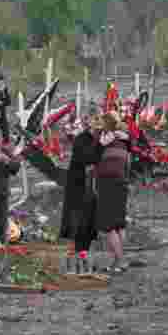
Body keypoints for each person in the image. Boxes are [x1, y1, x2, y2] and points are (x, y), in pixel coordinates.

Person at [60, 113, 103, 275]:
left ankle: (83, 256)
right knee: (78, 222)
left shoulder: (97, 138)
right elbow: (88, 158)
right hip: (78, 187)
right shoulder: (81, 139)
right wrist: (100, 143)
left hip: (91, 186)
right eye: (94, 123)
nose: (98, 128)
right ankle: (73, 261)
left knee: (89, 222)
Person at [92, 112, 131, 273]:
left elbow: (92, 160)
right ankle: (116, 261)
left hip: (107, 184)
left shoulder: (103, 142)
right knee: (119, 224)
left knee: (108, 225)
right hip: (122, 182)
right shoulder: (123, 142)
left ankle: (121, 261)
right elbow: (128, 163)